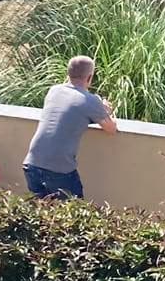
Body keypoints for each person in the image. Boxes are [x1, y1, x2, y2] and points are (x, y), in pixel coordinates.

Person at [23, 55, 117, 199]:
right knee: (75, 213)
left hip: (32, 163)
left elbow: (69, 111)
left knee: (41, 215)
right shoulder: (91, 101)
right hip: (59, 169)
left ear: (68, 73)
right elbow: (111, 129)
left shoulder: (53, 91)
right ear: (90, 77)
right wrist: (106, 111)